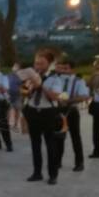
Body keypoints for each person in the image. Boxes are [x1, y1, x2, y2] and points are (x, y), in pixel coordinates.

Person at [22, 52, 63, 185]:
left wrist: (41, 85)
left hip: (48, 112)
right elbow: (25, 94)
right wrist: (28, 89)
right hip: (33, 111)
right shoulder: (32, 77)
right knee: (35, 144)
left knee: (51, 144)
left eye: (41, 63)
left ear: (49, 64)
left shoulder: (55, 79)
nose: (38, 66)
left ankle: (53, 174)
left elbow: (54, 97)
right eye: (36, 63)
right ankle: (37, 172)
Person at [55, 59, 89, 172]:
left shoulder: (79, 81)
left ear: (72, 69)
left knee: (76, 138)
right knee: (59, 138)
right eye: (62, 68)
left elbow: (84, 96)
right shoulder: (57, 79)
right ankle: (58, 162)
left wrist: (69, 100)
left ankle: (79, 163)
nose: (63, 71)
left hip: (72, 111)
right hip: (59, 111)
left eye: (66, 68)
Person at [7, 63, 24, 132]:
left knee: (17, 110)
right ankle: (7, 125)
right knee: (8, 110)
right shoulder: (9, 75)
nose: (15, 68)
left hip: (18, 96)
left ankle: (16, 125)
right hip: (9, 95)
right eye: (14, 66)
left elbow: (23, 87)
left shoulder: (21, 77)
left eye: (17, 67)